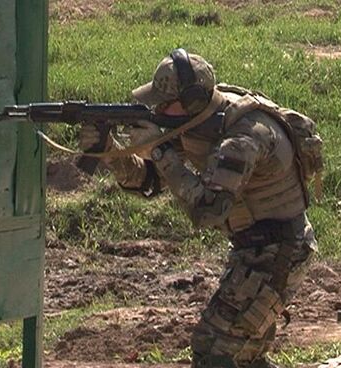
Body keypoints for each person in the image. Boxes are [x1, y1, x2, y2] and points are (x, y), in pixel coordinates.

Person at [79, 49, 318, 368]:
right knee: (235, 355)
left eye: (166, 103)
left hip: (279, 252)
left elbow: (208, 210)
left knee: (215, 352)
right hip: (259, 251)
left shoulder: (243, 137)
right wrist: (109, 152)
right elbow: (149, 180)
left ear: (192, 100)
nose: (158, 109)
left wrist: (160, 149)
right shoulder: (202, 120)